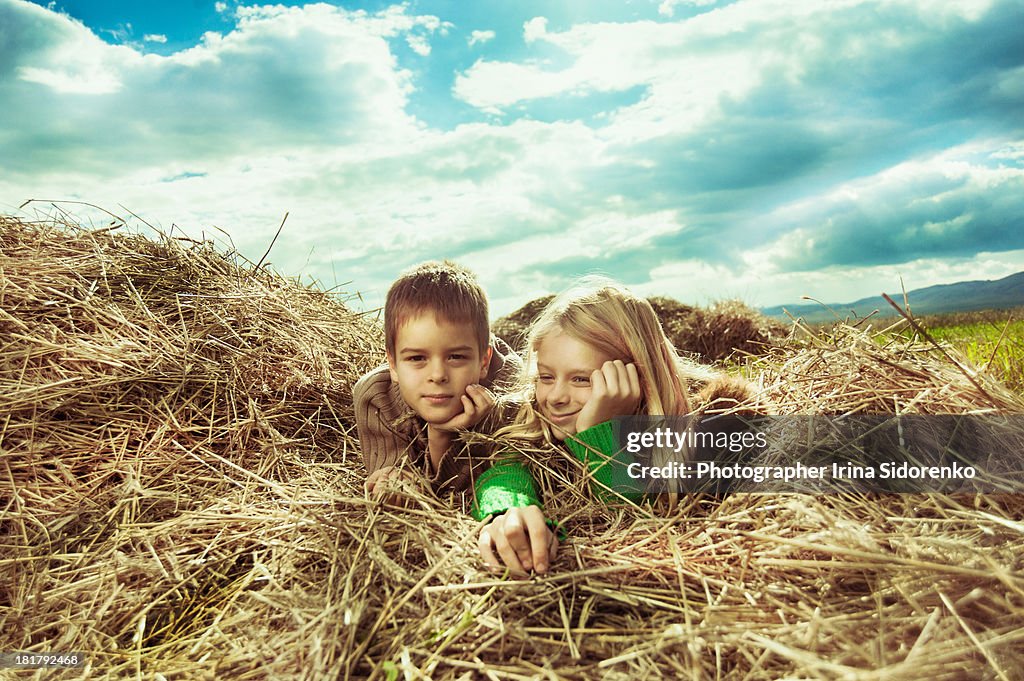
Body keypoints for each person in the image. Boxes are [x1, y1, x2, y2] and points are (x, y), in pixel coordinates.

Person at [472, 276, 753, 576]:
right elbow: (507, 469)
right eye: (546, 376)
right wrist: (506, 509)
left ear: (636, 377)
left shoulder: (710, 431)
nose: (555, 397)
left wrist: (600, 432)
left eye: (581, 379)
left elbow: (633, 524)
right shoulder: (533, 418)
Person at [353, 260, 521, 502]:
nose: (438, 375)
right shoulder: (376, 396)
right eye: (417, 358)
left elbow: (475, 490)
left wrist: (445, 435)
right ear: (393, 364)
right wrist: (439, 434)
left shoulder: (511, 392)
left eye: (455, 357)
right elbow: (408, 486)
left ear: (484, 362)